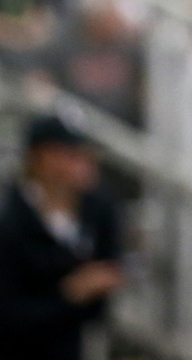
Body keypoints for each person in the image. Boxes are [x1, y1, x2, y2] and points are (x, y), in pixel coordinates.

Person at [0, 114, 124, 360]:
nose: (83, 164)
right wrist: (69, 294)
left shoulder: (99, 210)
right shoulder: (10, 219)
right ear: (40, 158)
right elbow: (9, 310)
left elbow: (103, 289)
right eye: (70, 155)